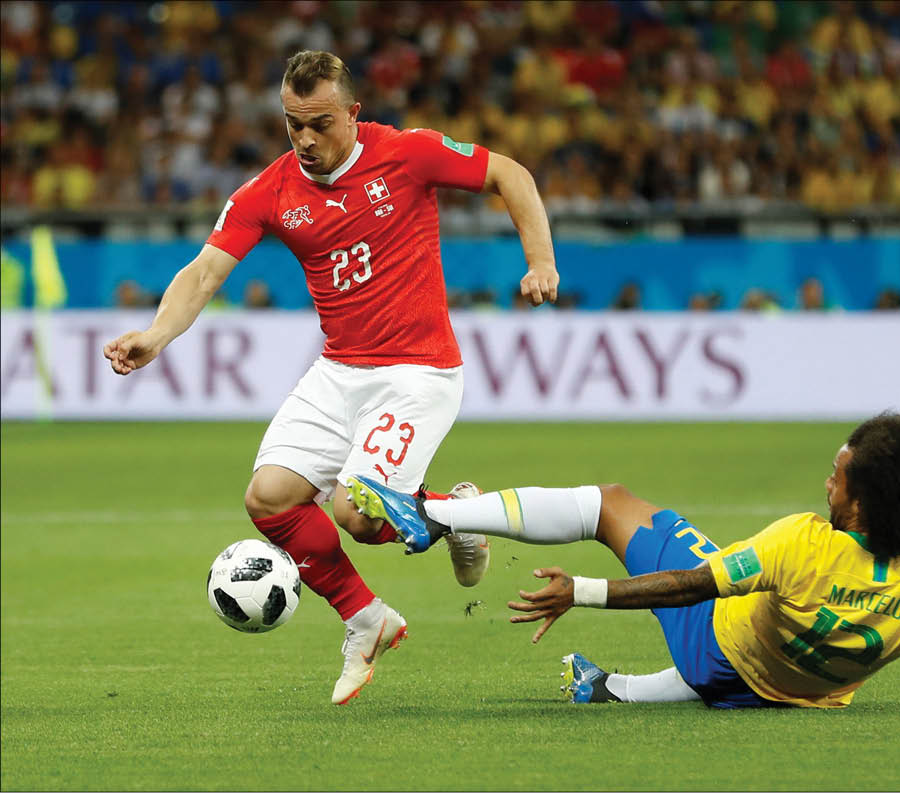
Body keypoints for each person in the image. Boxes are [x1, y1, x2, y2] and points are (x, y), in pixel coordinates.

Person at [102, 51, 560, 705]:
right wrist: (156, 334)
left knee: (356, 515)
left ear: (352, 114)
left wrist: (540, 261)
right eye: (294, 125)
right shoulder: (269, 192)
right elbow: (204, 271)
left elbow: (509, 174)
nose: (306, 139)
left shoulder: (406, 154)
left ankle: (460, 517)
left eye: (320, 123)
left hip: (418, 372)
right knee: (270, 497)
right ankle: (368, 619)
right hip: (340, 369)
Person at [347, 412, 900, 712]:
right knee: (747, 636)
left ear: (860, 503)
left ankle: (431, 513)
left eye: (837, 474)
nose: (826, 480)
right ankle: (609, 689)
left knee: (613, 502)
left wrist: (584, 589)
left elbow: (689, 584)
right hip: (792, 694)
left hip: (720, 649)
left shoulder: (800, 543)